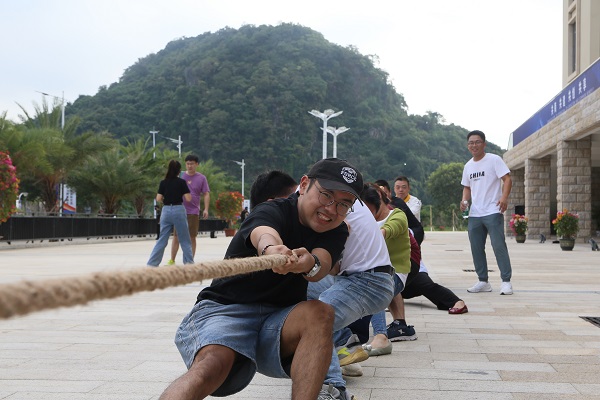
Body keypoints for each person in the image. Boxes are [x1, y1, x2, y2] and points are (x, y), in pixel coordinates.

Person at [159, 158, 364, 400]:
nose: (331, 209)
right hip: (225, 310)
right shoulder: (272, 209)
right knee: (212, 365)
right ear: (304, 184)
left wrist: (309, 263)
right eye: (326, 195)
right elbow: (263, 232)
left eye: (344, 204)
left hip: (277, 321)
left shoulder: (336, 229)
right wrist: (272, 250)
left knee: (320, 313)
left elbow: (322, 263)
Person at [307, 188, 395, 399]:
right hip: (356, 276)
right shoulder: (339, 201)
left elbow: (341, 232)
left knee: (314, 321)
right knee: (304, 289)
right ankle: (343, 344)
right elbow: (333, 267)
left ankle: (333, 388)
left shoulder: (328, 205)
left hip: (368, 280)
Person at [460, 130, 513, 295]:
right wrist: (464, 201)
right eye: (471, 143)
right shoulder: (468, 166)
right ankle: (483, 281)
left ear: (484, 144)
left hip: (493, 210)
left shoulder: (494, 160)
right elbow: (467, 187)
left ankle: (506, 281)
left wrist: (504, 198)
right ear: (468, 146)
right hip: (475, 213)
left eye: (477, 142)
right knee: (476, 248)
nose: (474, 145)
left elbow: (507, 179)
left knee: (498, 246)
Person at [147, 160, 194, 267]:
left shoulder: (163, 182)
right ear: (179, 170)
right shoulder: (182, 182)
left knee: (162, 239)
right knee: (184, 239)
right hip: (178, 209)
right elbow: (188, 198)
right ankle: (189, 264)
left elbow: (158, 198)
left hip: (166, 210)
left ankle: (152, 264)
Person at [168, 154, 210, 265]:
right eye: (187, 164)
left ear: (197, 164)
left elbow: (206, 194)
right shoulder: (180, 176)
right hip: (179, 210)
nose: (189, 166)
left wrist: (206, 209)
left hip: (193, 212)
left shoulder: (201, 178)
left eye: (192, 164)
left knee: (192, 237)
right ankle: (172, 260)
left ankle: (190, 261)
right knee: (176, 236)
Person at [379, 178, 425, 246]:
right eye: (398, 187)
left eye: (404, 187)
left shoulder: (415, 202)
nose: (401, 190)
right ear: (394, 189)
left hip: (412, 235)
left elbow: (410, 213)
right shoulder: (390, 202)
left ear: (409, 188)